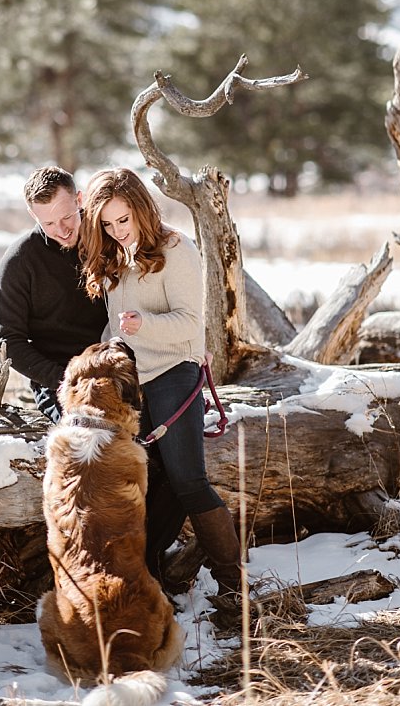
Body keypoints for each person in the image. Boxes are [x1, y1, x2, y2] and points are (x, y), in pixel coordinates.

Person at [79, 168, 241, 593]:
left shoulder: (176, 248)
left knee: (188, 479)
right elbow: (116, 326)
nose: (117, 231)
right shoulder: (114, 254)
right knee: (146, 484)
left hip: (174, 373)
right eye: (107, 224)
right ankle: (145, 576)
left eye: (123, 220)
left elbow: (191, 323)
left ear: (142, 210)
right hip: (131, 383)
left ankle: (234, 587)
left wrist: (143, 325)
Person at [0, 166, 106, 426]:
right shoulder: (19, 261)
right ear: (32, 214)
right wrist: (65, 378)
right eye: (48, 223)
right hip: (58, 378)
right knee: (88, 433)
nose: (62, 230)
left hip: (117, 365)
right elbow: (9, 341)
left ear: (79, 200)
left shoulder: (108, 236)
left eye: (67, 216)